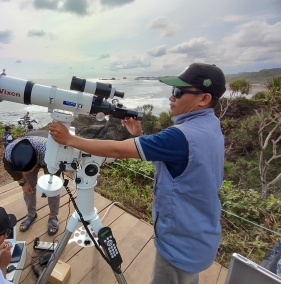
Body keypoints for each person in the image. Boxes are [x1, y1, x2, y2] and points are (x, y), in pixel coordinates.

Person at [49, 63, 226, 284]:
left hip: (180, 240)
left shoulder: (180, 136)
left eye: (178, 92)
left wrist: (70, 140)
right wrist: (140, 134)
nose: (171, 97)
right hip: (199, 231)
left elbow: (117, 150)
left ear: (204, 99)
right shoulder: (209, 126)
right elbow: (177, 158)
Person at [3, 132, 60, 235]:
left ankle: (53, 216)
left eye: (28, 171)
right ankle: (31, 213)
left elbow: (57, 171)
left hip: (48, 158)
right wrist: (23, 181)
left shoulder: (51, 151)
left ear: (37, 161)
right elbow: (11, 170)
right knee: (28, 189)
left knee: (53, 188)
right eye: (22, 171)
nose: (25, 173)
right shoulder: (9, 154)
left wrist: (50, 184)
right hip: (33, 153)